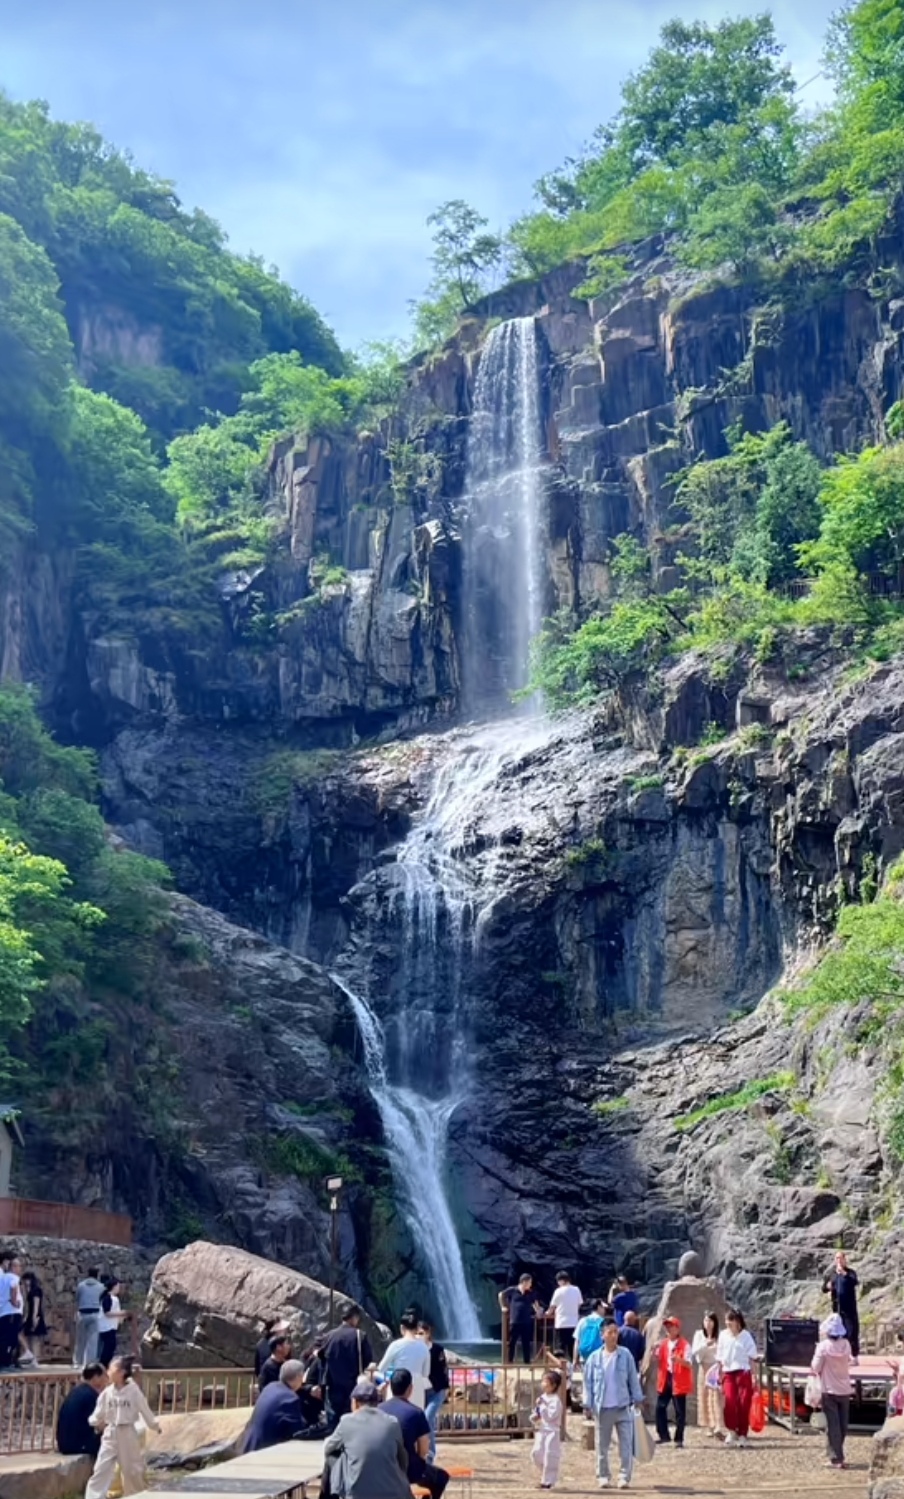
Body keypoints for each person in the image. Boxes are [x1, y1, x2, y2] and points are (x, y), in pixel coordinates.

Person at [86, 1355, 162, 1499]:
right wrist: (94, 1421)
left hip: (127, 1432)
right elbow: (99, 1412)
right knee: (101, 1467)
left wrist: (154, 1425)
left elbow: (144, 1409)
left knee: (131, 1469)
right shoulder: (108, 1392)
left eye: (111, 1368)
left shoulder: (133, 1391)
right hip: (111, 1432)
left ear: (121, 1372)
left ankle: (135, 1495)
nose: (108, 1371)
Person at [582, 1317, 644, 1491]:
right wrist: (587, 1404)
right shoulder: (594, 1358)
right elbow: (588, 1383)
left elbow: (633, 1378)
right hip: (603, 1408)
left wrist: (638, 1398)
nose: (613, 1336)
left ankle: (624, 1476)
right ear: (602, 1335)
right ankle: (603, 1476)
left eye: (615, 1332)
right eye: (610, 1332)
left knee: (626, 1444)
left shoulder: (625, 1355)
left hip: (623, 1406)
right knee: (602, 1445)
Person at [323, 1378, 410, 1499]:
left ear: (355, 1402)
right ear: (377, 1402)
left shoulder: (347, 1421)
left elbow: (328, 1449)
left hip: (358, 1494)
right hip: (394, 1492)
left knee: (334, 1457)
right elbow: (403, 1460)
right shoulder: (392, 1422)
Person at [382, 1368, 449, 1498]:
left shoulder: (379, 1410)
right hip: (407, 1468)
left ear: (390, 1387)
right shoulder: (416, 1413)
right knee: (441, 1478)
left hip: (383, 1466)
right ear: (410, 1389)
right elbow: (423, 1449)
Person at [322, 1305, 374, 1428]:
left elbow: (321, 1358)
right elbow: (368, 1359)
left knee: (334, 1424)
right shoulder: (359, 1335)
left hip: (333, 1387)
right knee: (353, 1422)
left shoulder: (329, 1336)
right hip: (353, 1386)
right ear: (354, 1318)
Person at [812, 1313, 853, 1470]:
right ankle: (836, 1452)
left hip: (828, 1388)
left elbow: (815, 1367)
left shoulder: (823, 1347)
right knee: (842, 1423)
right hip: (844, 1388)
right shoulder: (846, 1345)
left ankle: (836, 1457)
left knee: (833, 1424)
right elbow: (850, 1359)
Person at [714, 1308, 759, 1447]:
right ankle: (732, 1430)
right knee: (730, 1401)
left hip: (743, 1371)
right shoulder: (723, 1335)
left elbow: (752, 1357)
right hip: (728, 1371)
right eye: (727, 1320)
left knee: (744, 1403)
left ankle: (743, 1433)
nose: (728, 1323)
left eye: (731, 1320)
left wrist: (754, 1375)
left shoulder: (746, 1336)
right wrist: (719, 1374)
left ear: (738, 1322)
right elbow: (719, 1357)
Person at [242, 1360, 308, 1452]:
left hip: (247, 1444)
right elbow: (298, 1431)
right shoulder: (290, 1398)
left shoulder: (270, 1387)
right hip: (263, 1450)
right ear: (298, 1377)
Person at [378, 1311, 432, 1407]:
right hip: (417, 1388)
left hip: (397, 1386)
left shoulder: (395, 1345)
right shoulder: (424, 1347)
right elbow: (426, 1373)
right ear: (416, 1328)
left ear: (402, 1328)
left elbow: (381, 1368)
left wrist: (383, 1382)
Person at [655, 1316, 692, 1449]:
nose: (669, 1329)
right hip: (666, 1378)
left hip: (679, 1380)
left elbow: (689, 1364)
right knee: (660, 1407)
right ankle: (663, 1435)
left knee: (679, 1411)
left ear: (677, 1328)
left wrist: (679, 1360)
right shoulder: (663, 1343)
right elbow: (659, 1357)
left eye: (671, 1326)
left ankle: (679, 1438)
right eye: (667, 1326)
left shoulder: (685, 1344)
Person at [56, 1363, 107, 1456]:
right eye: (104, 1376)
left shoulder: (76, 1391)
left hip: (64, 1444)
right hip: (77, 1445)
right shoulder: (91, 1396)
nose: (106, 1380)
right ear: (96, 1377)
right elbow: (98, 1423)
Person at [418, 1320, 450, 1462]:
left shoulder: (437, 1350)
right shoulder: (415, 1350)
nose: (419, 1336)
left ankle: (429, 1455)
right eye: (417, 1333)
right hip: (420, 1392)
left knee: (427, 1418)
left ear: (428, 1333)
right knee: (426, 1422)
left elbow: (444, 1370)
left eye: (422, 1333)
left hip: (436, 1391)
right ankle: (424, 1455)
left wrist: (447, 1388)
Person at [499, 1273, 543, 1365]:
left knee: (526, 1342)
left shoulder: (530, 1293)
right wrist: (503, 1306)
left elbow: (535, 1303)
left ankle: (527, 1361)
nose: (531, 1284)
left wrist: (538, 1312)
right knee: (512, 1341)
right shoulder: (513, 1290)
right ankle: (509, 1360)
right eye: (529, 1282)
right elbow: (501, 1294)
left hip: (526, 1320)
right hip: (514, 1320)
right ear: (524, 1282)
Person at [691, 1312, 723, 1438]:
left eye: (710, 1321)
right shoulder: (699, 1334)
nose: (708, 1324)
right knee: (705, 1395)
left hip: (716, 1367)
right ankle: (709, 1425)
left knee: (717, 1396)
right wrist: (706, 1345)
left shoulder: (720, 1335)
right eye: (705, 1321)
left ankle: (718, 1424)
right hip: (704, 1367)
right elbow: (695, 1351)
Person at [823, 1252, 860, 1358]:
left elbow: (854, 1282)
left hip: (849, 1308)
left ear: (844, 1260)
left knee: (851, 1331)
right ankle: (840, 1354)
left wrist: (843, 1273)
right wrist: (827, 1286)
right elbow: (824, 1288)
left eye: (840, 1258)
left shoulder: (850, 1272)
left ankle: (853, 1355)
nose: (838, 1260)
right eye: (837, 1258)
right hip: (837, 1308)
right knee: (838, 1332)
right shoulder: (831, 1273)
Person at [531, 1368, 563, 1490]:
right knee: (536, 1453)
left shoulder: (555, 1401)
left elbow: (550, 1416)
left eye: (545, 1381)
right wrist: (535, 1416)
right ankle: (547, 1471)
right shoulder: (543, 1397)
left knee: (550, 1454)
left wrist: (542, 1406)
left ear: (553, 1385)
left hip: (552, 1431)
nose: (543, 1384)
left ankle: (548, 1480)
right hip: (542, 1429)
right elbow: (539, 1413)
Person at [74, 1267, 106, 1369]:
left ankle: (77, 1362)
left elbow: (77, 1298)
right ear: (97, 1275)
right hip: (95, 1314)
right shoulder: (101, 1287)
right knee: (92, 1341)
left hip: (82, 1313)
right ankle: (89, 1364)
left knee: (80, 1340)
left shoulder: (81, 1286)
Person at [549, 1271, 583, 1360]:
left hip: (561, 1323)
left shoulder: (558, 1291)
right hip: (574, 1322)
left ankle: (561, 1366)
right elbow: (579, 1304)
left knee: (560, 1347)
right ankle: (574, 1365)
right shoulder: (576, 1289)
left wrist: (547, 1313)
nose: (558, 1284)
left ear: (562, 1281)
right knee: (573, 1345)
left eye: (558, 1281)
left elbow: (552, 1306)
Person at [97, 1278, 127, 1369]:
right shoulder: (108, 1298)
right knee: (108, 1349)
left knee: (110, 1348)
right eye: (118, 1286)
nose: (119, 1288)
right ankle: (103, 1367)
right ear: (113, 1287)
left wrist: (120, 1317)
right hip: (106, 1327)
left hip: (111, 1327)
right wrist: (121, 1313)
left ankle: (105, 1366)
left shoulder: (114, 1299)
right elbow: (107, 1313)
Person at [0, 1253, 23, 1368]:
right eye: (18, 1266)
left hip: (3, 1312)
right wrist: (14, 1301)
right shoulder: (13, 1277)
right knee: (12, 1338)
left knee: (3, 1337)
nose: (20, 1269)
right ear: (13, 1267)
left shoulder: (2, 1277)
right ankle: (8, 1362)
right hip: (12, 1311)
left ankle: (4, 1361)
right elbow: (13, 1287)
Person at [20, 1269, 47, 1365]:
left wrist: (34, 1317)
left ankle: (35, 1358)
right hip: (31, 1315)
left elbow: (36, 1304)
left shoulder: (36, 1290)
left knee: (35, 1339)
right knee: (30, 1337)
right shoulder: (30, 1290)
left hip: (35, 1315)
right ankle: (32, 1357)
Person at [575, 1299, 606, 1365]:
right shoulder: (603, 1322)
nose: (604, 1310)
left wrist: (575, 1359)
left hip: (584, 1356)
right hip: (599, 1357)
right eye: (603, 1307)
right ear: (599, 1307)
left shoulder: (582, 1321)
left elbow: (577, 1341)